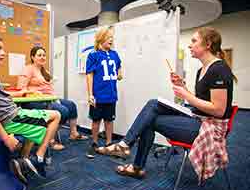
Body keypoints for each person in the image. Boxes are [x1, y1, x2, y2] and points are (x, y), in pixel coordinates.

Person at [98, 27, 237, 180]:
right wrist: (183, 87)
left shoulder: (219, 69)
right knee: (153, 105)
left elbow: (218, 110)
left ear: (208, 44)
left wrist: (186, 96)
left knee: (149, 121)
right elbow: (201, 102)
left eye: (194, 41)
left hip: (209, 128)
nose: (190, 45)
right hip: (198, 118)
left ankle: (132, 158)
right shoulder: (202, 69)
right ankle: (126, 148)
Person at [0, 30, 61, 184]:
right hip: (11, 118)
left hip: (13, 114)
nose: (3, 53)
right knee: (56, 115)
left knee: (40, 122)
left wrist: (19, 94)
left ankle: (23, 161)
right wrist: (6, 138)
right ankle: (37, 158)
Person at [18, 46, 88, 151]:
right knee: (62, 111)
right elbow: (20, 88)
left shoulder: (45, 71)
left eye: (44, 55)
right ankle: (50, 139)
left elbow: (49, 89)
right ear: (33, 57)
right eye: (39, 55)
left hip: (48, 99)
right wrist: (33, 92)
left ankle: (73, 133)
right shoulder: (28, 69)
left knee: (71, 105)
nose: (42, 57)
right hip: (33, 102)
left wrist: (55, 98)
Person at [85, 27, 123, 159]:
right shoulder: (93, 55)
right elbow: (89, 75)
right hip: (98, 95)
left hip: (111, 95)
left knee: (109, 120)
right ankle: (94, 143)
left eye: (112, 37)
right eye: (109, 37)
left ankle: (109, 143)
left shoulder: (114, 54)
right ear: (101, 39)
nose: (111, 40)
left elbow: (119, 67)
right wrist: (90, 94)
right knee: (96, 120)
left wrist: (119, 73)